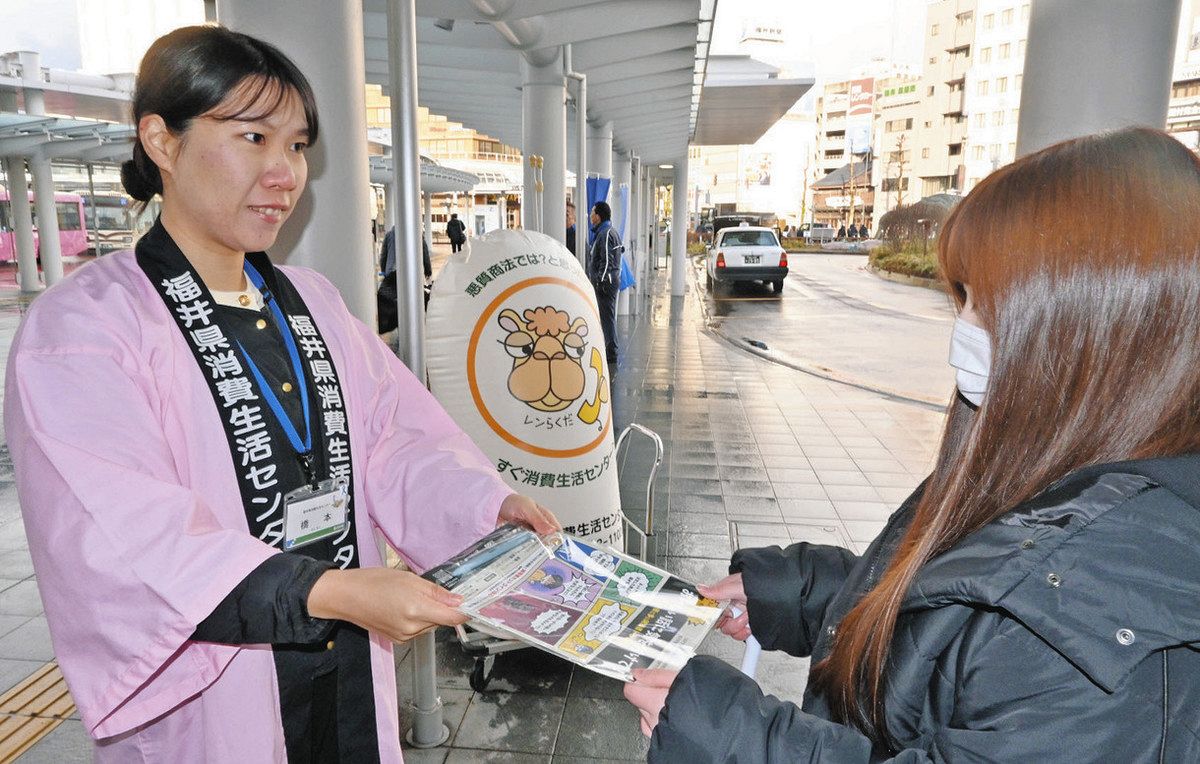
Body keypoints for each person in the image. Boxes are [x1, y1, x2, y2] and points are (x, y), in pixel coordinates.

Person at [5, 26, 559, 762]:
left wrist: (485, 510)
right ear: (161, 141)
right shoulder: (86, 328)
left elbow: (398, 439)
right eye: (253, 138)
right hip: (217, 689)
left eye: (296, 146)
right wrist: (326, 594)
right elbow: (122, 532)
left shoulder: (314, 302)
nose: (284, 173)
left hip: (342, 666)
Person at [624, 127, 1200, 761]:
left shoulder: (1103, 634)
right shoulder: (1050, 464)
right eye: (962, 297)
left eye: (987, 305)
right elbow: (950, 624)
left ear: (1095, 331)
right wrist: (796, 593)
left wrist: (732, 737)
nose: (962, 332)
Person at [586, 200, 621, 366]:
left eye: (593, 213)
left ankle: (611, 352)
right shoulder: (608, 231)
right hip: (609, 281)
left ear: (598, 216)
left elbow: (606, 261)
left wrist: (600, 281)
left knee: (607, 318)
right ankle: (610, 349)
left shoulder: (605, 233)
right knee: (608, 317)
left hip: (605, 284)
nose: (590, 215)